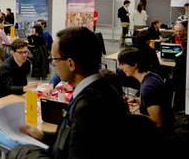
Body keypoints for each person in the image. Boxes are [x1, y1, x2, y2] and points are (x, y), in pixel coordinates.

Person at [12, 27, 129, 159]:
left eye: (55, 59)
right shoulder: (103, 89)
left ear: (71, 64)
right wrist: (43, 136)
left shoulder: (88, 107)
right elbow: (73, 141)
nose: (54, 65)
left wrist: (23, 154)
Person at [118, 47, 175, 134]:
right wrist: (135, 100)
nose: (120, 67)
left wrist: (132, 116)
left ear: (134, 65)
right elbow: (154, 102)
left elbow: (157, 123)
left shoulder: (148, 87)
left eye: (123, 64)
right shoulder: (152, 76)